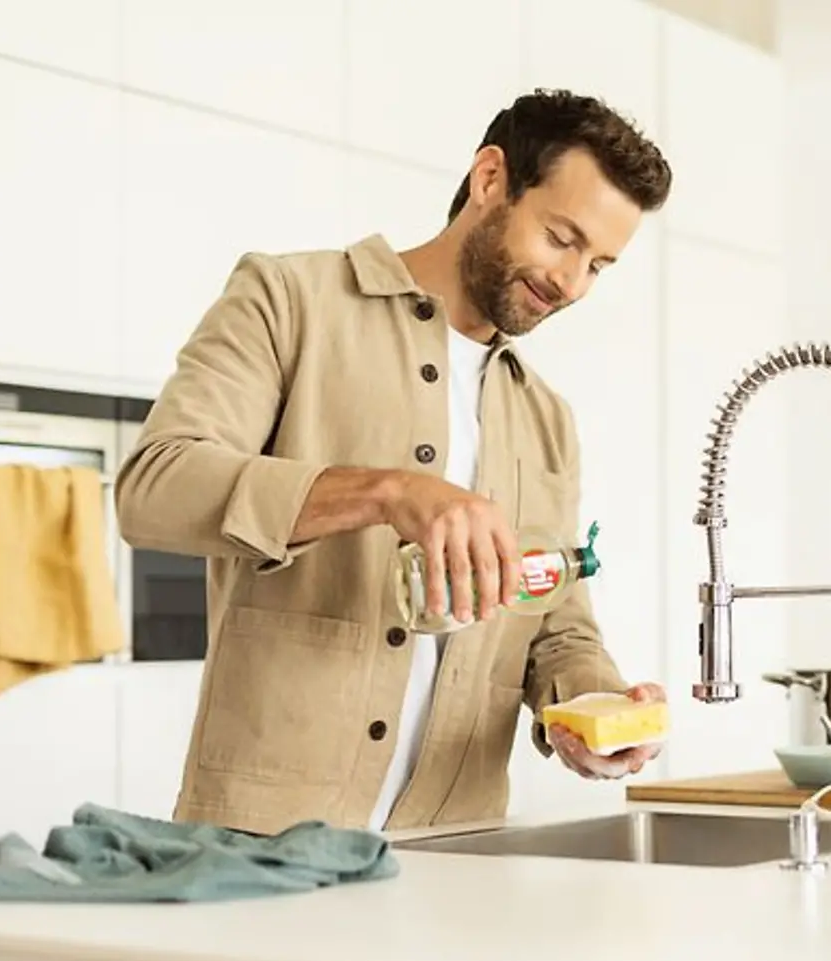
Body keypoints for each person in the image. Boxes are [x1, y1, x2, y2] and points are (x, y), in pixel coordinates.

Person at [114, 89, 675, 837]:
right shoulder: (290, 299)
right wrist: (387, 492)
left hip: (459, 846)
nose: (571, 283)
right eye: (561, 238)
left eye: (598, 265)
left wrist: (592, 706)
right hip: (265, 841)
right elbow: (155, 488)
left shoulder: (546, 417)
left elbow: (554, 617)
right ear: (489, 180)